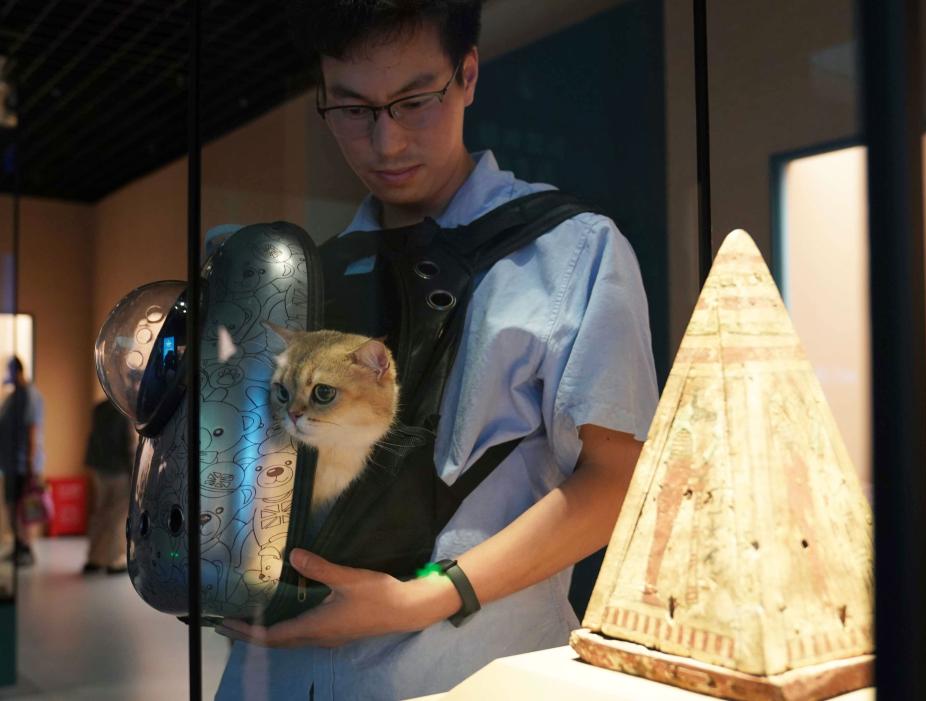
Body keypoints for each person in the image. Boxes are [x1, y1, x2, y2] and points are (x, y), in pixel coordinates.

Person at [214, 2, 659, 699]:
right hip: (272, 673)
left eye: (415, 101)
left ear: (468, 75)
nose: (386, 142)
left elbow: (618, 478)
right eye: (353, 110)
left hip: (467, 666)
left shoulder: (573, 251)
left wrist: (426, 596)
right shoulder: (308, 277)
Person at [0, 356, 45, 567]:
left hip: (23, 465)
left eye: (8, 371)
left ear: (17, 371)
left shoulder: (29, 395)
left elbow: (32, 431)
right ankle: (18, 545)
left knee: (24, 508)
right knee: (11, 506)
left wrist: (30, 467)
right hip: (10, 464)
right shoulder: (12, 397)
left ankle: (26, 548)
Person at [82, 399, 134, 575]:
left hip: (99, 469)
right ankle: (115, 560)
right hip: (119, 470)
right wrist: (135, 473)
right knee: (117, 517)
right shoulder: (125, 410)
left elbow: (93, 439)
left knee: (100, 513)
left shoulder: (99, 409)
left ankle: (94, 559)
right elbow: (129, 444)